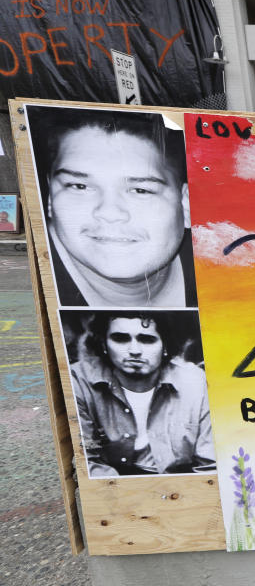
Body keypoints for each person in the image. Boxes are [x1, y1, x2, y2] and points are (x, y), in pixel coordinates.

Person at [31, 107, 196, 307]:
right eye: (79, 186)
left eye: (140, 190)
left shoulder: (227, 270)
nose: (109, 213)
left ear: (185, 204)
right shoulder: (24, 292)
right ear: (50, 198)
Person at [71, 311, 214, 477]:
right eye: (120, 339)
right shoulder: (78, 381)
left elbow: (209, 464)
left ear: (165, 345)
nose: (134, 350)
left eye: (147, 339)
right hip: (111, 490)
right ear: (103, 343)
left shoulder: (195, 382)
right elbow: (84, 461)